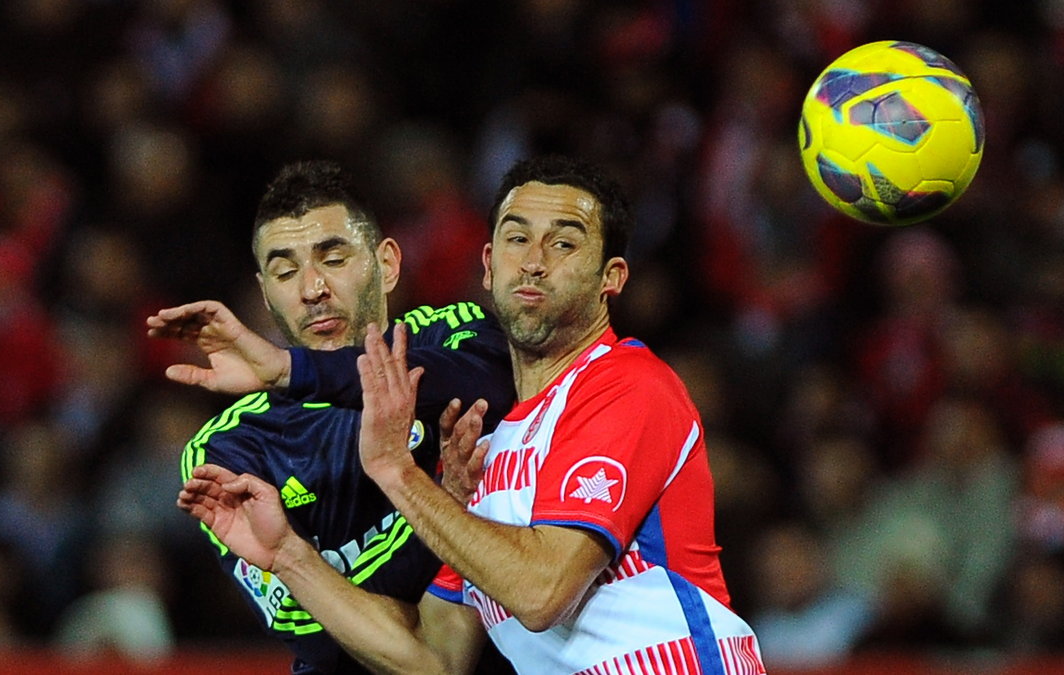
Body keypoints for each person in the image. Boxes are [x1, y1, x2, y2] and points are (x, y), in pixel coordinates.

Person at [176, 155, 767, 674]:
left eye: (563, 243)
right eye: (516, 239)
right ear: (487, 265)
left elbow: (540, 593)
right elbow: (436, 663)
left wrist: (394, 470)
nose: (533, 262)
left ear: (611, 276)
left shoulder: (626, 383)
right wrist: (289, 555)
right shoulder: (487, 450)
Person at [147, 160, 515, 674]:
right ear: (264, 292)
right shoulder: (229, 450)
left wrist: (287, 369)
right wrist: (448, 507)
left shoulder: (453, 335)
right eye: (284, 270)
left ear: (387, 264)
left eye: (333, 257)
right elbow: (328, 645)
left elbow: (496, 385)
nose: (312, 288)